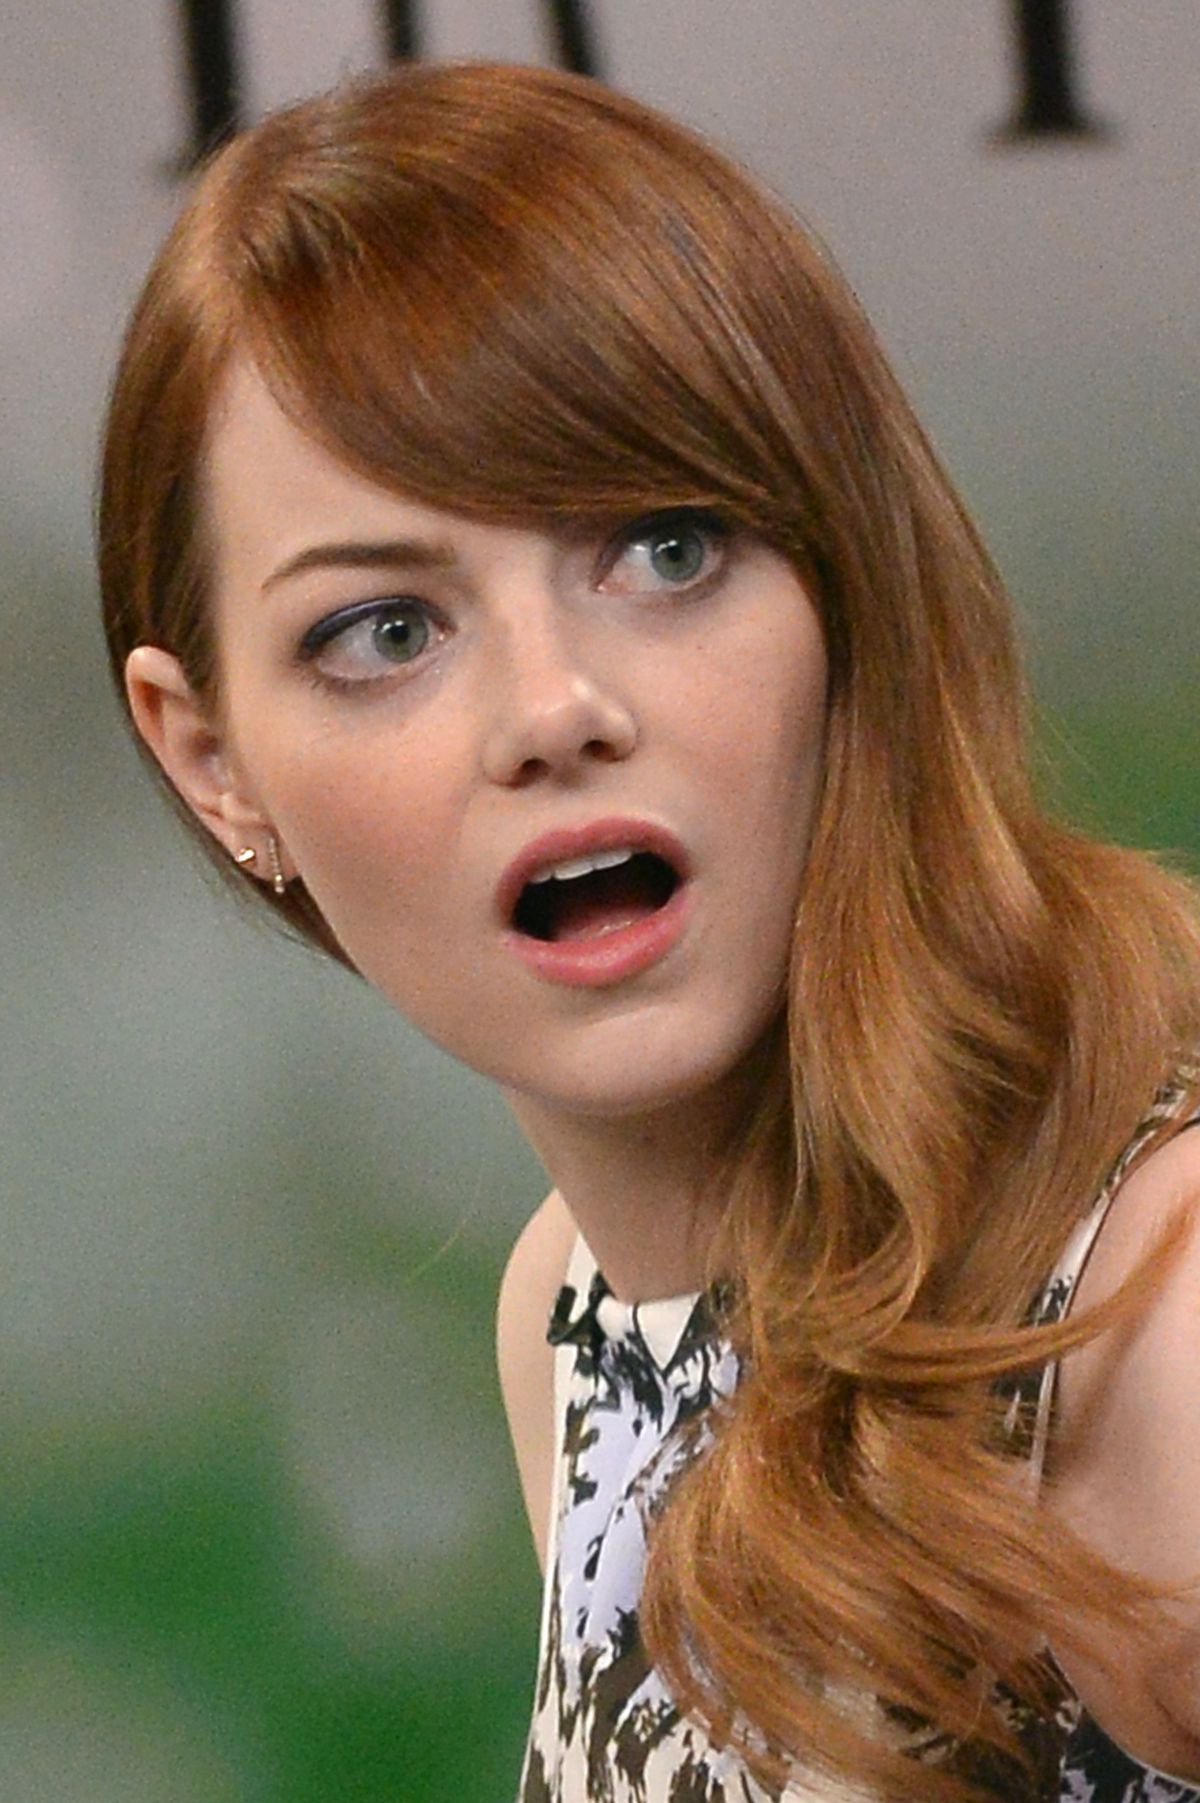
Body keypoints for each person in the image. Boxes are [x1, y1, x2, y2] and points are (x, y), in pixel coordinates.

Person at [96, 58, 1200, 1803]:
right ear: (211, 759)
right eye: (386, 632)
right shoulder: (569, 1312)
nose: (555, 708)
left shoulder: (1159, 1301)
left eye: (667, 550)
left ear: (844, 579)